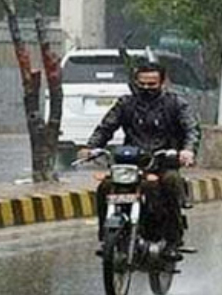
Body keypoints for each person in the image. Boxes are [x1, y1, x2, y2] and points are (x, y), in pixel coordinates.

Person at [82, 56, 200, 260]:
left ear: (163, 83)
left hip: (164, 162)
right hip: (130, 163)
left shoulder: (176, 103)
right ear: (135, 82)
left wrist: (187, 150)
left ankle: (172, 240)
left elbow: (191, 128)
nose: (146, 88)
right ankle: (107, 237)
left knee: (171, 183)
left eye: (152, 84)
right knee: (105, 187)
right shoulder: (125, 103)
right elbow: (106, 127)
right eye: (142, 83)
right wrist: (92, 147)